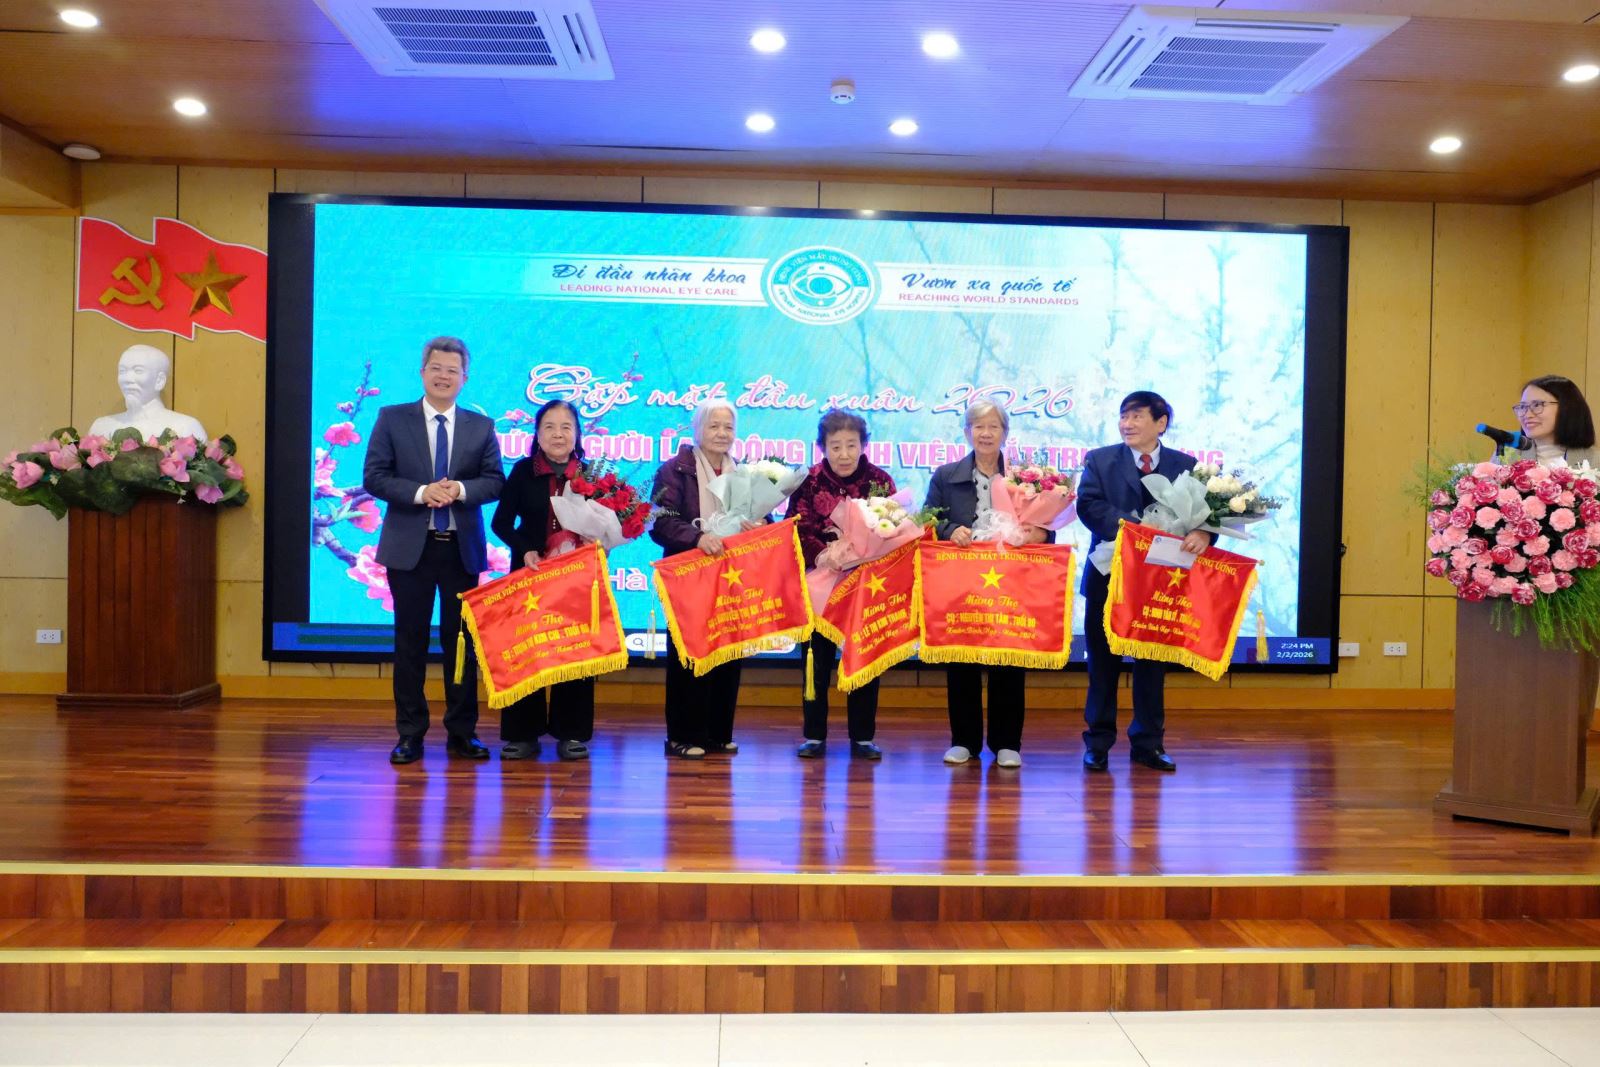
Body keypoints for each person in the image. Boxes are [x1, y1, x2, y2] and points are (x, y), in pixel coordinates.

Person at [362, 336, 505, 765]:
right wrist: (422, 492)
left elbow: (494, 481)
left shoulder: (481, 426)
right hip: (410, 550)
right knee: (409, 643)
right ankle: (410, 734)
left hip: (459, 551)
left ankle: (462, 733)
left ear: (465, 378)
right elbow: (374, 476)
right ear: (423, 372)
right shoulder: (392, 419)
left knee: (461, 644)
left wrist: (458, 489)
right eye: (436, 368)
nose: (444, 376)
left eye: (452, 370)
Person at [1077, 390, 1210, 774]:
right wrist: (1136, 530)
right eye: (1124, 416)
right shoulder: (1100, 460)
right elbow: (1089, 505)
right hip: (1109, 579)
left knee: (1152, 666)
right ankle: (1098, 743)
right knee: (1102, 664)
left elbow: (1206, 514)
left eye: (1136, 416)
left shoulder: (1186, 465)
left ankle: (1149, 744)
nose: (1127, 424)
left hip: (1160, 584)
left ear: (1160, 422)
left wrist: (1204, 533)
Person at [924, 399, 1049, 769]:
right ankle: (964, 741)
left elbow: (1047, 524)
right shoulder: (946, 475)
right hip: (961, 579)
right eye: (978, 426)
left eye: (994, 426)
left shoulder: (1025, 479)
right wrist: (950, 529)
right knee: (961, 657)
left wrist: (1039, 533)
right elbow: (929, 518)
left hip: (1011, 579)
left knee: (1007, 655)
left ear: (1005, 433)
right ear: (967, 433)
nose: (986, 433)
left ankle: (1007, 742)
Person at [489, 399, 595, 762]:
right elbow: (501, 523)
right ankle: (523, 733)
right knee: (525, 650)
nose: (558, 434)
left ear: (577, 433)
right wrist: (526, 550)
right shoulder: (523, 471)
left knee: (574, 651)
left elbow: (608, 523)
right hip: (529, 574)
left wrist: (599, 543)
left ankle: (571, 732)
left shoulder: (592, 474)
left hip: (576, 578)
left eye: (566, 426)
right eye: (549, 426)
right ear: (537, 434)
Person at [649, 398, 754, 759]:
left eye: (728, 427)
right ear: (697, 430)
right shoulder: (674, 470)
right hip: (688, 575)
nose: (722, 433)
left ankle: (718, 734)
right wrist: (697, 538)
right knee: (688, 654)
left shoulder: (743, 473)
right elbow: (660, 523)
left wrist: (759, 525)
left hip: (730, 576)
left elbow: (757, 518)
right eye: (714, 425)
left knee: (727, 651)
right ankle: (682, 735)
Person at [789, 410, 896, 760]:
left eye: (852, 445)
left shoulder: (880, 481)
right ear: (822, 448)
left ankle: (863, 737)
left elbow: (894, 529)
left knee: (864, 658)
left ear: (864, 445)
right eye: (836, 447)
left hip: (865, 585)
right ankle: (814, 735)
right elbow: (796, 527)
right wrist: (822, 554)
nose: (845, 454)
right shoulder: (809, 482)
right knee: (815, 662)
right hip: (819, 583)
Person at [88, 344, 208, 442]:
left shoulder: (185, 428)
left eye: (138, 371)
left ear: (159, 380)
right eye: (122, 371)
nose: (127, 379)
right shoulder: (100, 428)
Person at [1512, 375, 1599, 468]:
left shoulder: (1596, 461)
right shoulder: (1507, 459)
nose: (1527, 415)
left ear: (1567, 408)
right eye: (1523, 406)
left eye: (1537, 405)